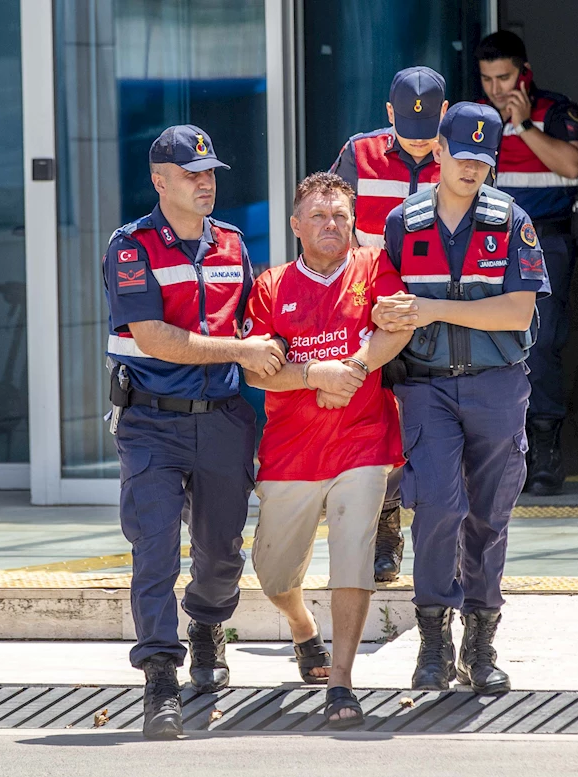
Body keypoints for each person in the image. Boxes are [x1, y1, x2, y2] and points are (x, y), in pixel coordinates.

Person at [102, 125, 286, 739]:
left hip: (224, 421)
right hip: (150, 422)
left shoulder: (233, 244)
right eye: (191, 174)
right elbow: (154, 339)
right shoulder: (131, 248)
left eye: (210, 173)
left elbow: (262, 328)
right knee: (154, 552)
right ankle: (160, 677)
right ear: (161, 181)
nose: (205, 183)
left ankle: (206, 623)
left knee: (220, 555)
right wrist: (240, 347)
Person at [374, 102, 550, 694]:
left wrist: (436, 309)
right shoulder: (404, 222)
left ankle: (481, 643)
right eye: (462, 155)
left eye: (483, 158)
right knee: (438, 511)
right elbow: (387, 302)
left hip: (496, 385)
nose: (472, 168)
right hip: (425, 388)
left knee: (488, 517)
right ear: (439, 152)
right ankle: (432, 642)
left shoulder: (511, 221)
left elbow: (518, 309)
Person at [243, 172, 412, 728]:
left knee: (353, 552)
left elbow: (398, 327)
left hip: (362, 441)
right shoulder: (270, 286)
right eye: (318, 215)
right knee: (272, 574)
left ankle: (341, 683)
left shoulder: (374, 265)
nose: (331, 224)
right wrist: (316, 374)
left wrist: (358, 368)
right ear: (296, 226)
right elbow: (261, 372)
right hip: (290, 451)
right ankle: (300, 626)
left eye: (340, 214)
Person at [330, 66, 447, 582]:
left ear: (444, 115)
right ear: (388, 115)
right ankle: (385, 525)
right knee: (378, 422)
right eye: (407, 135)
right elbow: (331, 228)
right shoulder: (358, 155)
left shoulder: (460, 155)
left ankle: (443, 540)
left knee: (437, 423)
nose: (419, 148)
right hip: (372, 312)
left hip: (443, 315)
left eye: (428, 138)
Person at [476, 30, 578, 496]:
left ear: (525, 73)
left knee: (539, 346)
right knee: (485, 344)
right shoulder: (476, 119)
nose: (497, 89)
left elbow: (572, 165)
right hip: (485, 244)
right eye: (487, 80)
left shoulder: (558, 111)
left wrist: (522, 127)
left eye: (504, 77)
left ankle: (545, 452)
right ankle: (500, 454)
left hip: (544, 241)